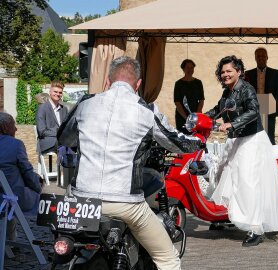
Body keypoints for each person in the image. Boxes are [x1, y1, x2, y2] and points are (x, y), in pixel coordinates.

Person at [57, 56, 203, 270]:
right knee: (168, 258)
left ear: (107, 81)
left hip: (81, 200)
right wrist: (200, 141)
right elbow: (176, 142)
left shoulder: (85, 104)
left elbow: (64, 138)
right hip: (124, 202)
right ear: (138, 84)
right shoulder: (145, 110)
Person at [206, 55, 278, 247]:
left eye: (229, 71)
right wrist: (200, 118)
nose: (225, 74)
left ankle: (255, 228)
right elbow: (218, 109)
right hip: (236, 138)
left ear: (239, 72)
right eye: (222, 72)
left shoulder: (246, 88)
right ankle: (234, 216)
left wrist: (232, 123)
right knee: (227, 176)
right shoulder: (227, 92)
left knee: (248, 182)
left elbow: (254, 110)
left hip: (251, 139)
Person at [0, 112, 43, 240]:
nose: (16, 129)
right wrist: (39, 185)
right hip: (11, 199)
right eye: (14, 125)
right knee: (36, 192)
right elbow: (27, 172)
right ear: (5, 127)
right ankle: (9, 238)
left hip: (5, 196)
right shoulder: (15, 144)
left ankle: (8, 237)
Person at [244, 47, 278, 145]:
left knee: (269, 136)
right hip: (254, 109)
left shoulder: (275, 73)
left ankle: (271, 157)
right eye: (258, 56)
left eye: (263, 56)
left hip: (269, 108)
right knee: (253, 135)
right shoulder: (248, 74)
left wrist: (268, 103)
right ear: (255, 58)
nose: (261, 58)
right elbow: (245, 91)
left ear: (267, 57)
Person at [36, 81, 68, 154]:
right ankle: (67, 164)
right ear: (50, 92)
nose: (57, 94)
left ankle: (70, 164)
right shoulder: (42, 108)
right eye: (55, 92)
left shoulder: (64, 109)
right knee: (67, 148)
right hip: (48, 142)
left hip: (62, 141)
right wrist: (59, 132)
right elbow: (41, 131)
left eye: (60, 92)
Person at [174, 59, 205, 134]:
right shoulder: (178, 84)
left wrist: (196, 116)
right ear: (183, 69)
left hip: (195, 115)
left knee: (196, 137)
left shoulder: (198, 83)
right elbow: (177, 102)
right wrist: (186, 118)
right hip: (182, 117)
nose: (190, 70)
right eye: (188, 67)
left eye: (192, 68)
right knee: (183, 138)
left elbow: (201, 100)